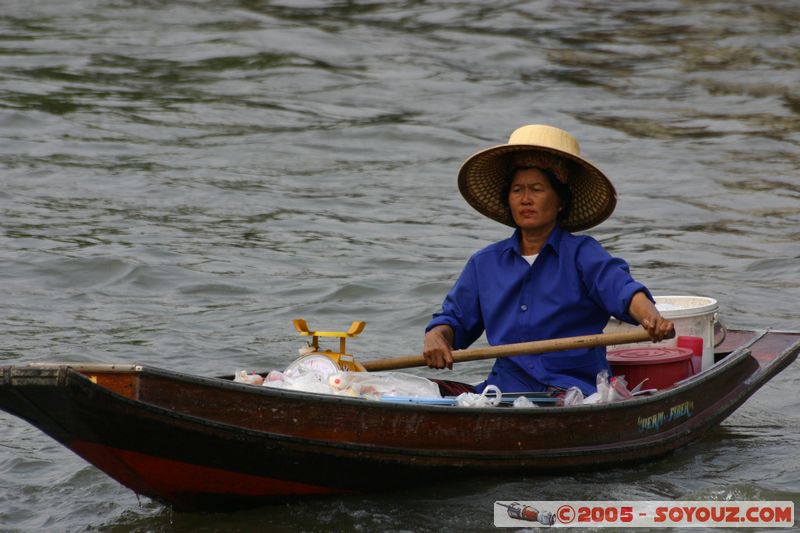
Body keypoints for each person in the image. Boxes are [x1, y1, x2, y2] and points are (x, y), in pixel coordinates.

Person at [423, 124, 674, 395]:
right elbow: (454, 320)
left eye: (537, 189)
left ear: (560, 201)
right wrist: (436, 336)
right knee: (424, 392)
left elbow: (623, 291)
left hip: (571, 389)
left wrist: (651, 318)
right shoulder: (484, 264)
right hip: (504, 390)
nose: (525, 199)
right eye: (517, 190)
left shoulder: (583, 254)